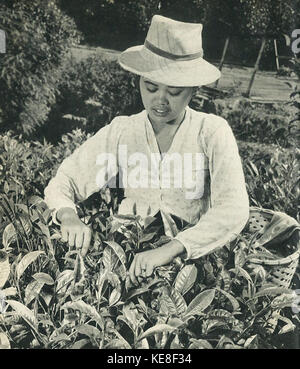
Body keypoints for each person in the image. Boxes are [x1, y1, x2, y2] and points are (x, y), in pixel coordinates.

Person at [44, 15, 249, 285]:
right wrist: (68, 215)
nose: (160, 100)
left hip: (186, 263)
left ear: (193, 91)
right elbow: (65, 180)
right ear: (139, 81)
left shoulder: (210, 131)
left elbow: (234, 208)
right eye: (151, 87)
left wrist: (171, 248)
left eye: (174, 92)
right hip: (123, 255)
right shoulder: (123, 131)